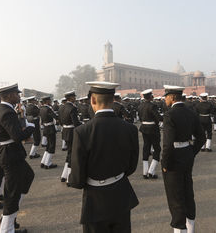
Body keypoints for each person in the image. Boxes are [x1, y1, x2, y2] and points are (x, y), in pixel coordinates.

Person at [69, 81, 139, 233]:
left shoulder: (82, 131)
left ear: (92, 100)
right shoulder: (130, 129)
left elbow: (77, 173)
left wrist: (78, 182)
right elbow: (132, 165)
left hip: (95, 198)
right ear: (113, 100)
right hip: (121, 192)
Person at [0, 84, 35, 233]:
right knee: (12, 191)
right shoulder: (7, 112)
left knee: (28, 176)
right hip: (9, 153)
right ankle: (6, 228)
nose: (19, 96)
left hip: (7, 151)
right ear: (9, 96)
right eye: (17, 94)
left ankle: (9, 216)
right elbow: (17, 137)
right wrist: (30, 127)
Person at [161, 85, 206, 233]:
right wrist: (191, 151)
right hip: (187, 153)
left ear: (172, 97)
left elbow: (167, 144)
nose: (165, 99)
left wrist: (165, 163)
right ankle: (190, 228)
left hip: (174, 157)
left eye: (166, 96)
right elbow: (201, 137)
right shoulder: (191, 112)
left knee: (175, 197)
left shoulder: (170, 115)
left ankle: (180, 229)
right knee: (187, 191)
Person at [138, 89, 163, 179]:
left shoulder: (140, 106)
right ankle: (151, 171)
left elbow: (140, 118)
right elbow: (158, 117)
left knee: (146, 147)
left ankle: (145, 172)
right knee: (157, 148)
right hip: (153, 129)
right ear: (151, 97)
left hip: (144, 128)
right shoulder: (153, 106)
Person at [59, 91, 81, 183]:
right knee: (72, 155)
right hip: (71, 133)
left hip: (65, 132)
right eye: (74, 97)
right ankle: (69, 178)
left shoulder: (62, 107)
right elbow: (76, 123)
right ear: (71, 98)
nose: (75, 98)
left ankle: (64, 175)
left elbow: (60, 121)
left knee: (69, 153)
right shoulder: (72, 108)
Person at [39, 96, 58, 169]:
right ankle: (48, 163)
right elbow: (55, 116)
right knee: (51, 145)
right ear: (47, 101)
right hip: (50, 128)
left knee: (48, 146)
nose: (50, 101)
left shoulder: (41, 108)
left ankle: (43, 162)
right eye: (49, 100)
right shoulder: (48, 109)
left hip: (46, 128)